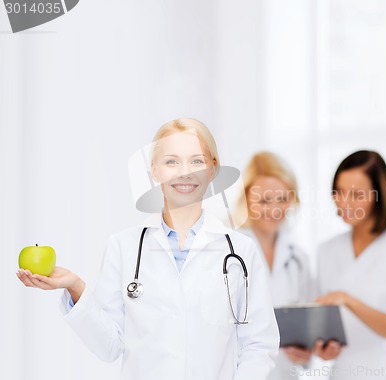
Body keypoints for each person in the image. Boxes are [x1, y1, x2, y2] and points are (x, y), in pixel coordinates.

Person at [17, 118, 280, 380]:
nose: (184, 172)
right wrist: (75, 286)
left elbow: (258, 345)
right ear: (154, 170)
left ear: (213, 169)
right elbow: (109, 346)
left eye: (196, 161)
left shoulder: (241, 252)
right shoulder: (123, 247)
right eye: (171, 161)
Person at [315, 150, 386, 380]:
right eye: (339, 191)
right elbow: (326, 327)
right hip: (343, 373)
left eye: (356, 195)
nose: (344, 202)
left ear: (379, 196)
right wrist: (324, 349)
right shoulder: (327, 250)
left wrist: (348, 300)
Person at [238, 151, 342, 380]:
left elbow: (310, 326)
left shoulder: (298, 259)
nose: (275, 209)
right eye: (264, 200)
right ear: (246, 198)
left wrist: (306, 352)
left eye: (282, 199)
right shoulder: (228, 253)